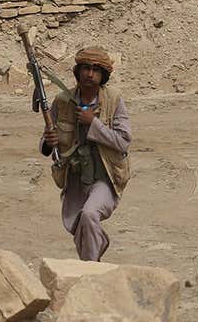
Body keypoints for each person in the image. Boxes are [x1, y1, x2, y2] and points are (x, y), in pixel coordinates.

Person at [40, 46, 131, 261]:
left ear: (103, 76)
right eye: (86, 68)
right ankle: (93, 258)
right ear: (78, 71)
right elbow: (47, 143)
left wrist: (94, 123)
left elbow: (123, 141)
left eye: (96, 70)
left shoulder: (114, 100)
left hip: (105, 178)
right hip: (75, 178)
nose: (90, 74)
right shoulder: (62, 101)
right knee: (79, 225)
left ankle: (92, 268)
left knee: (90, 214)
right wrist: (48, 142)